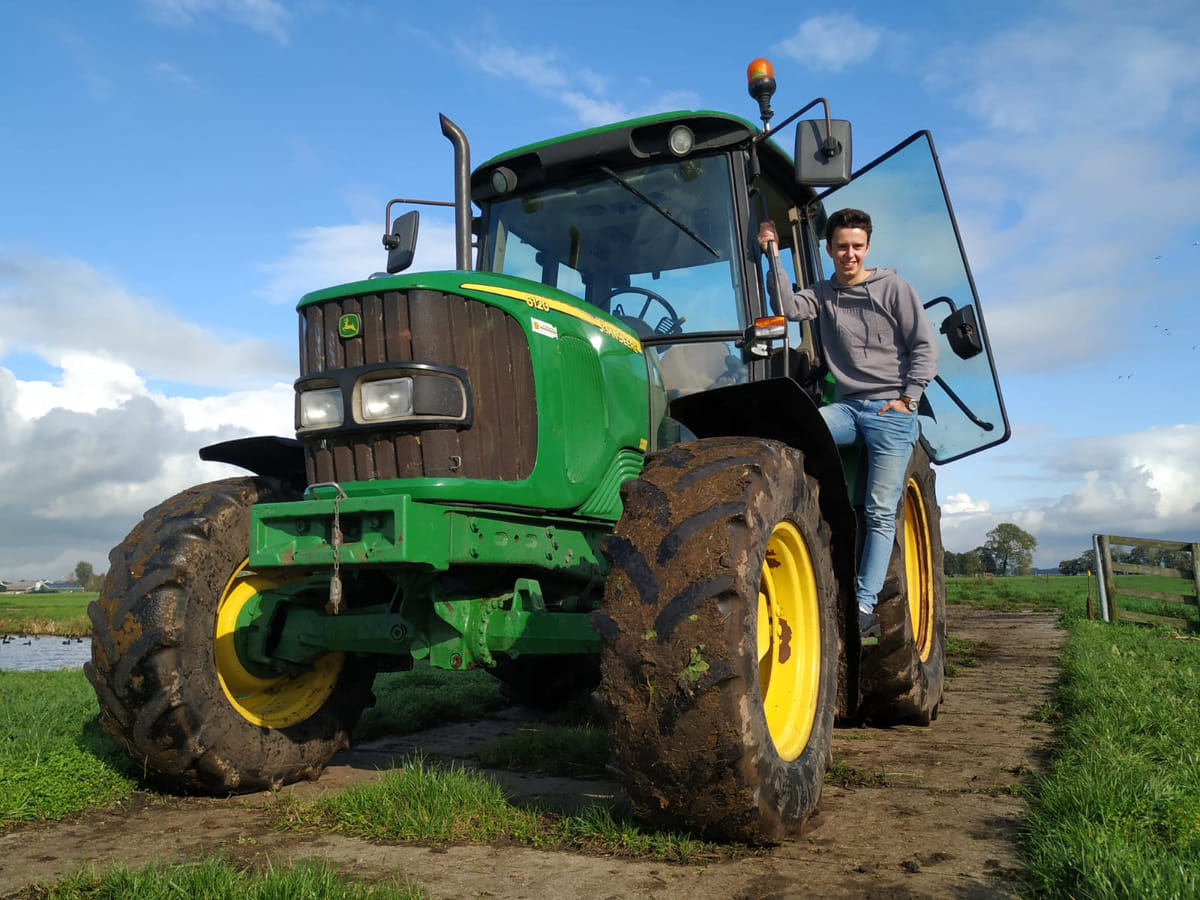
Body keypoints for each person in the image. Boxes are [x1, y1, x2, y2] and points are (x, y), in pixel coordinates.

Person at [757, 208, 938, 639]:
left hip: (890, 413)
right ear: (829, 249)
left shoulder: (894, 289)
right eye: (842, 247)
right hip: (850, 408)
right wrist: (771, 254)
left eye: (857, 246)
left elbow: (925, 347)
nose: (849, 254)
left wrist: (909, 399)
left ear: (867, 247)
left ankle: (863, 604)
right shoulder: (824, 293)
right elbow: (785, 307)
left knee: (879, 510)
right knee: (792, 433)